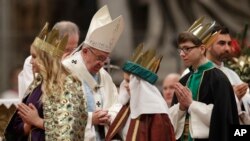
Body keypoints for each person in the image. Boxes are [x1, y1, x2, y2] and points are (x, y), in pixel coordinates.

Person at [4, 23, 87, 141]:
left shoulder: (69, 84)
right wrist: (27, 125)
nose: (31, 61)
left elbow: (71, 129)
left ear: (46, 59)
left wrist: (37, 121)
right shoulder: (37, 83)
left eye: (34, 56)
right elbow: (18, 125)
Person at [169, 17, 239, 141]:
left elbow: (223, 119)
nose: (182, 53)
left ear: (202, 49)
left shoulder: (219, 79)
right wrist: (181, 108)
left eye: (187, 48)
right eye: (180, 49)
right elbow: (171, 119)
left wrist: (191, 104)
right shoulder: (183, 80)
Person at [62, 5, 124, 141]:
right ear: (85, 51)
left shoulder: (104, 76)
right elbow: (58, 112)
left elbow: (116, 103)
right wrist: (90, 119)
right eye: (99, 58)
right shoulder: (65, 71)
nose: (102, 64)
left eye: (105, 59)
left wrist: (109, 115)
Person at [105, 44, 175, 141]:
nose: (125, 85)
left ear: (141, 84)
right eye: (124, 80)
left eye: (129, 81)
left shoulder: (156, 114)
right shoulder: (127, 107)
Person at [18, 21, 80, 99]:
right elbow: (35, 95)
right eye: (67, 50)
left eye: (74, 49)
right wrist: (61, 67)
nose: (71, 54)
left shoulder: (77, 60)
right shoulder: (34, 61)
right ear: (55, 44)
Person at [206, 25, 250, 124]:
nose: (227, 48)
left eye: (229, 43)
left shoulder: (232, 74)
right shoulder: (197, 74)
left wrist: (243, 96)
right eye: (221, 43)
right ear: (207, 45)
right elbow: (201, 109)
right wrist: (232, 96)